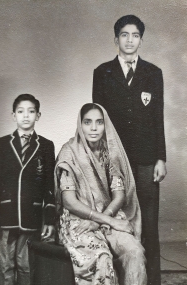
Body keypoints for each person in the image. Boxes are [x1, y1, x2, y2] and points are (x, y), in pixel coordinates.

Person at [92, 15, 167, 285]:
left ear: (141, 40)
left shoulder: (153, 73)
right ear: (116, 39)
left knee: (148, 221)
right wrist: (99, 158)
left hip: (147, 160)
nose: (130, 40)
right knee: (116, 218)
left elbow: (157, 117)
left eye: (135, 35)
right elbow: (97, 120)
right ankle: (118, 278)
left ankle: (153, 280)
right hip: (114, 159)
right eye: (124, 34)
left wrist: (161, 158)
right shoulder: (102, 72)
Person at [55, 103, 147, 285]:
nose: (94, 128)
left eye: (99, 122)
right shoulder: (69, 152)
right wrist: (109, 221)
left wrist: (103, 219)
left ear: (106, 125)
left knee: (135, 251)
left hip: (107, 214)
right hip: (78, 220)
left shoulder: (110, 152)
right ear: (80, 125)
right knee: (101, 258)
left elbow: (119, 195)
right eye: (88, 122)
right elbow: (69, 201)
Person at [0, 94, 55, 285]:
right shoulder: (2, 144)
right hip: (6, 213)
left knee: (26, 265)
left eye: (31, 111)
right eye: (20, 111)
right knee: (6, 264)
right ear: (13, 115)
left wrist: (49, 218)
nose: (26, 116)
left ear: (38, 115)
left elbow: (49, 184)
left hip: (31, 214)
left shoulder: (46, 146)